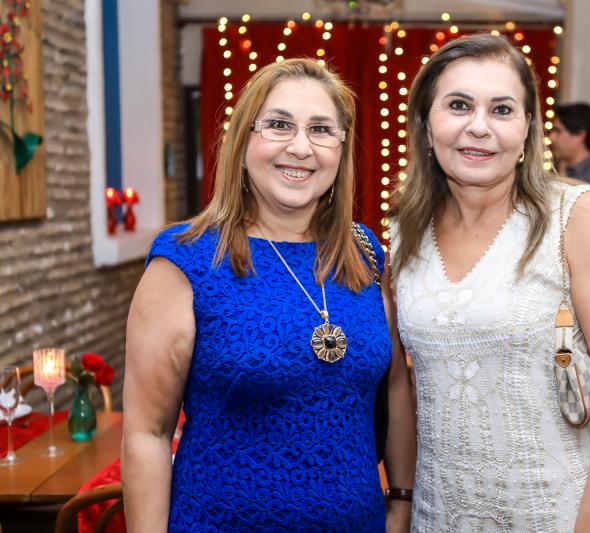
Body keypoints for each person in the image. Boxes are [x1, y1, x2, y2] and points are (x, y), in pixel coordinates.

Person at [122, 58, 416, 532]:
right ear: (243, 142)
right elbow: (147, 434)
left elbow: (396, 386)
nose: (300, 147)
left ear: (341, 150)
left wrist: (401, 500)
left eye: (321, 129)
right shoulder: (186, 261)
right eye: (279, 125)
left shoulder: (365, 254)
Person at [390, 34, 590, 532]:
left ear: (528, 127)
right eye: (459, 105)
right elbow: (411, 388)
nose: (479, 126)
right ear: (425, 122)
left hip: (554, 515)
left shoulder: (574, 214)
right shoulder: (406, 232)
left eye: (502, 109)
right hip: (438, 515)